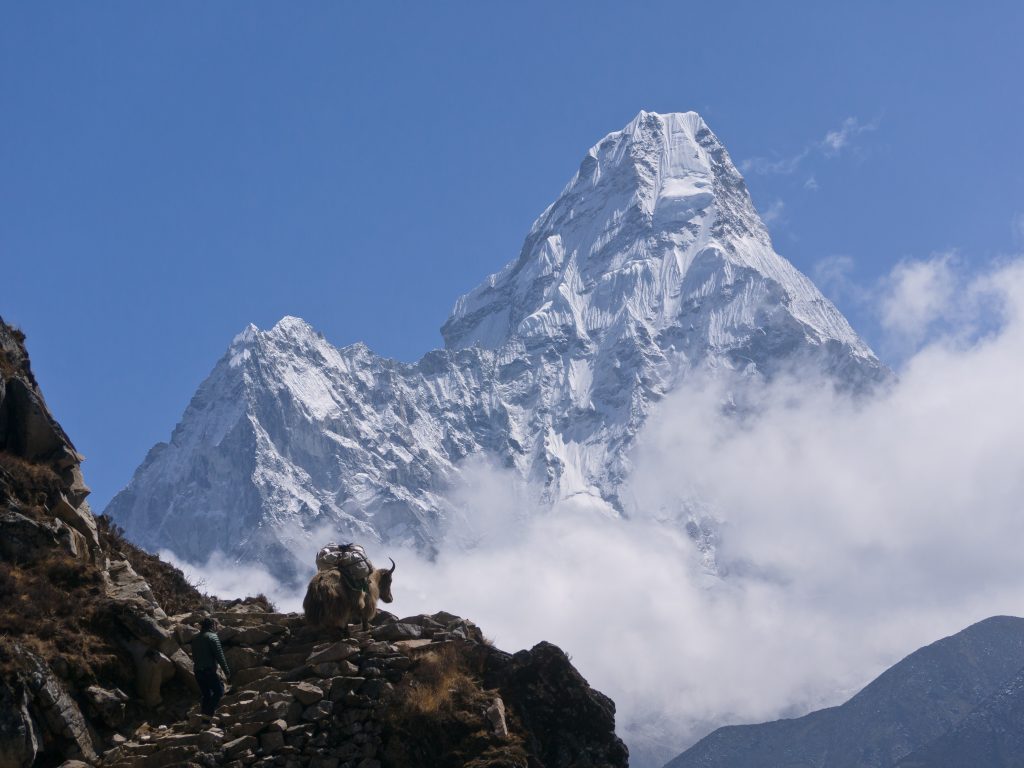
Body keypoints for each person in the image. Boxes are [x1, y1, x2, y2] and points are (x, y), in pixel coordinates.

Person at [191, 617, 231, 722]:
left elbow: (194, 657)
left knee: (206, 695)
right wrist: (226, 671)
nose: (217, 627)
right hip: (208, 670)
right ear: (212, 625)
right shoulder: (213, 637)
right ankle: (208, 715)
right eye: (216, 625)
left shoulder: (195, 639)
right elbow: (220, 656)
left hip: (197, 671)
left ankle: (204, 722)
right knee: (219, 692)